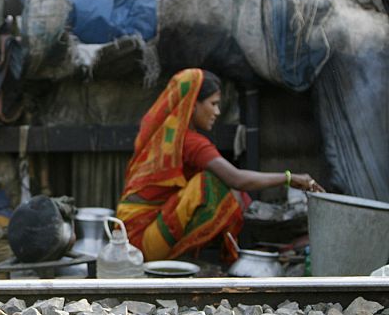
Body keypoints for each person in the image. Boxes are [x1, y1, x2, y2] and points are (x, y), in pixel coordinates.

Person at [117, 68, 325, 261]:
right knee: (210, 183)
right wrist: (290, 178)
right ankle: (233, 250)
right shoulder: (190, 142)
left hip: (128, 237)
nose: (217, 112)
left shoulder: (169, 138)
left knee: (223, 185)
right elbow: (236, 178)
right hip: (140, 245)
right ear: (193, 104)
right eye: (213, 103)